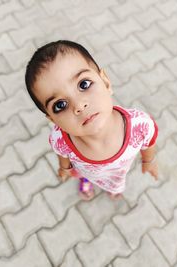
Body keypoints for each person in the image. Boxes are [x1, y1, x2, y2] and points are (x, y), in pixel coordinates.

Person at [25, 40, 158, 201]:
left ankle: (114, 189)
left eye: (84, 84)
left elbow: (149, 143)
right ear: (53, 120)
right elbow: (62, 154)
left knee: (116, 183)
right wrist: (64, 168)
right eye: (60, 105)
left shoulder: (141, 125)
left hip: (117, 173)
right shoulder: (59, 139)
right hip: (84, 170)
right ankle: (86, 181)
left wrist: (148, 161)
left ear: (106, 82)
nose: (79, 105)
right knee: (82, 173)